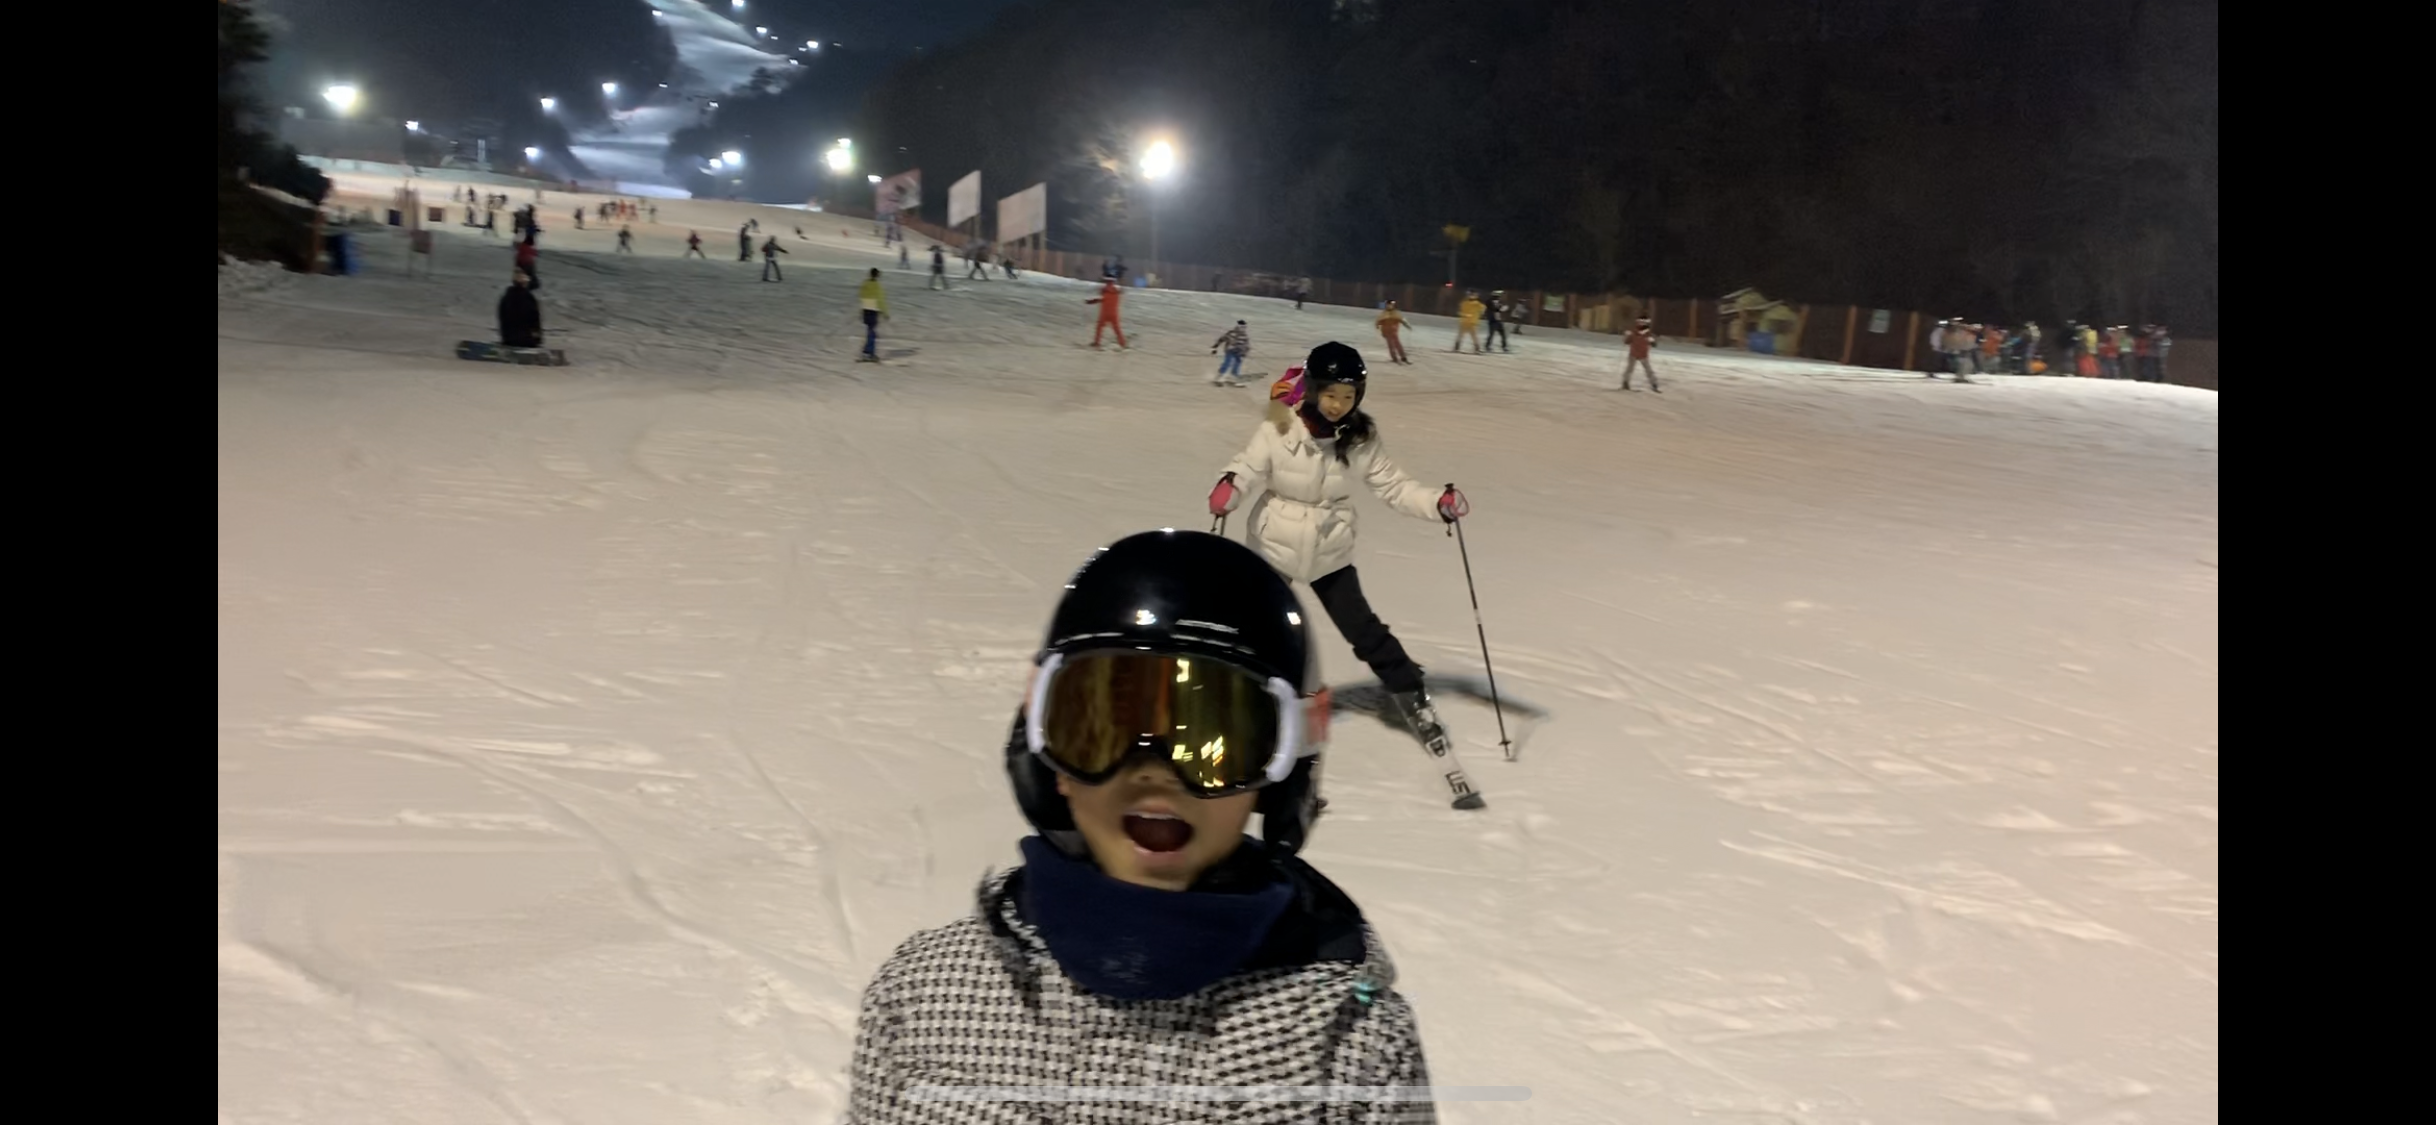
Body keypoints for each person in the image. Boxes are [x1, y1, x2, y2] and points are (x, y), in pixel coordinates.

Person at [844, 529, 1434, 1123]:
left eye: (1210, 740)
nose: (1154, 772)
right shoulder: (925, 1000)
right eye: (1100, 729)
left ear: (1277, 775)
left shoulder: (1344, 1055)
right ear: (1049, 761)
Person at [1208, 343, 1483, 810]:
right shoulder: (1279, 426)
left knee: (1365, 631)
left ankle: (1411, 696)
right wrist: (1229, 486)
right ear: (1313, 389)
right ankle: (1235, 709)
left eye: (1349, 395)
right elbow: (1248, 465)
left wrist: (1436, 503)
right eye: (1331, 394)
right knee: (1257, 634)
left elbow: (1394, 486)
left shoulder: (1359, 438)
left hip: (1329, 549)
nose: (1338, 404)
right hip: (1274, 546)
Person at [498, 268, 542, 348]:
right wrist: (537, 338)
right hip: (526, 340)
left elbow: (502, 317)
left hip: (508, 339)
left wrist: (504, 336)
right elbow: (534, 319)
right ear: (526, 283)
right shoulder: (528, 298)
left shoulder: (506, 297)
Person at [856, 268, 890, 362]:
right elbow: (880, 300)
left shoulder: (865, 283)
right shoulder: (877, 285)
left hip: (866, 309)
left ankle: (867, 352)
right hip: (873, 310)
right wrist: (885, 312)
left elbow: (861, 295)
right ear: (877, 275)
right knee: (872, 333)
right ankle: (868, 353)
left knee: (870, 331)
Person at [1621, 316, 1661, 391]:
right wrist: (1626, 336)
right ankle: (1625, 383)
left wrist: (1653, 341)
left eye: (1644, 323)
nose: (1642, 325)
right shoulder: (1634, 333)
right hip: (1634, 354)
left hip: (1643, 355)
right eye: (1641, 323)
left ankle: (1654, 384)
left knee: (1648, 370)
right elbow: (1626, 342)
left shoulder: (1648, 334)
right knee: (1629, 369)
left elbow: (1654, 344)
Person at [1086, 279, 1128, 349]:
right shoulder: (1116, 292)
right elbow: (1121, 290)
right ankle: (1123, 344)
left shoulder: (1105, 292)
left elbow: (1098, 299)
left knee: (1099, 328)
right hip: (1114, 314)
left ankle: (1097, 342)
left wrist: (1089, 302)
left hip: (1105, 314)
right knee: (1117, 329)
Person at [1211, 319, 1251, 385]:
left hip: (1239, 352)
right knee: (1227, 363)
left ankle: (1233, 378)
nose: (1243, 329)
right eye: (1242, 327)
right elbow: (1222, 339)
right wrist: (1215, 346)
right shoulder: (1231, 333)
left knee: (1237, 364)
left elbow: (1247, 345)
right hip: (1230, 351)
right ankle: (1218, 377)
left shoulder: (1245, 335)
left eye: (1244, 327)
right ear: (1238, 326)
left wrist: (1245, 353)